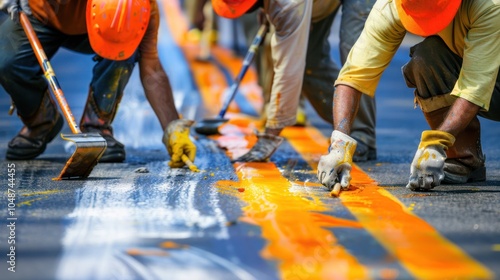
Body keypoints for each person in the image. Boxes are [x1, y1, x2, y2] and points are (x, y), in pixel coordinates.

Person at [317, 0, 500, 191]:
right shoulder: (394, 5)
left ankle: (448, 146)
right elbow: (352, 76)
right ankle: (464, 157)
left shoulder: (489, 6)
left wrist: (436, 142)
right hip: (479, 76)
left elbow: (473, 89)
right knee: (426, 57)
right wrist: (339, 143)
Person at [0, 0, 196, 168]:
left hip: (99, 27)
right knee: (6, 61)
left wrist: (173, 127)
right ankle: (41, 122)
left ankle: (96, 126)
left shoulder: (141, 8)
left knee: (127, 46)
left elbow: (152, 70)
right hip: (42, 15)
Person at [211, 0, 377, 162]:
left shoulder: (288, 5)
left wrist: (271, 135)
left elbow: (288, 68)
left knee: (355, 59)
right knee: (309, 62)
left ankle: (360, 135)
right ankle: (347, 126)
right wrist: (267, 9)